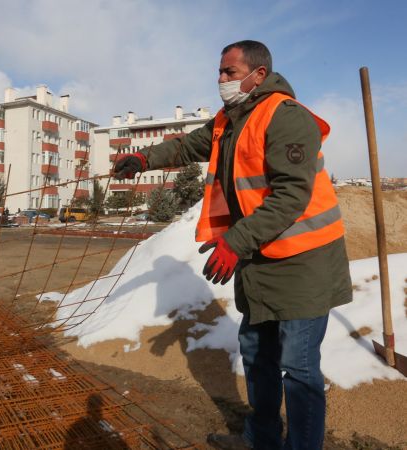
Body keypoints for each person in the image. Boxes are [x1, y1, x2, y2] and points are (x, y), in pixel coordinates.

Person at [113, 40, 352, 450]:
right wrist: (143, 158)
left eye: (229, 72)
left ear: (259, 74)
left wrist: (235, 241)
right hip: (260, 259)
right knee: (257, 355)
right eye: (219, 72)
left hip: (304, 261)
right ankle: (261, 439)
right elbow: (189, 145)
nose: (220, 80)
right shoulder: (231, 119)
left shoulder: (286, 117)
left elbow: (291, 196)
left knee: (298, 368)